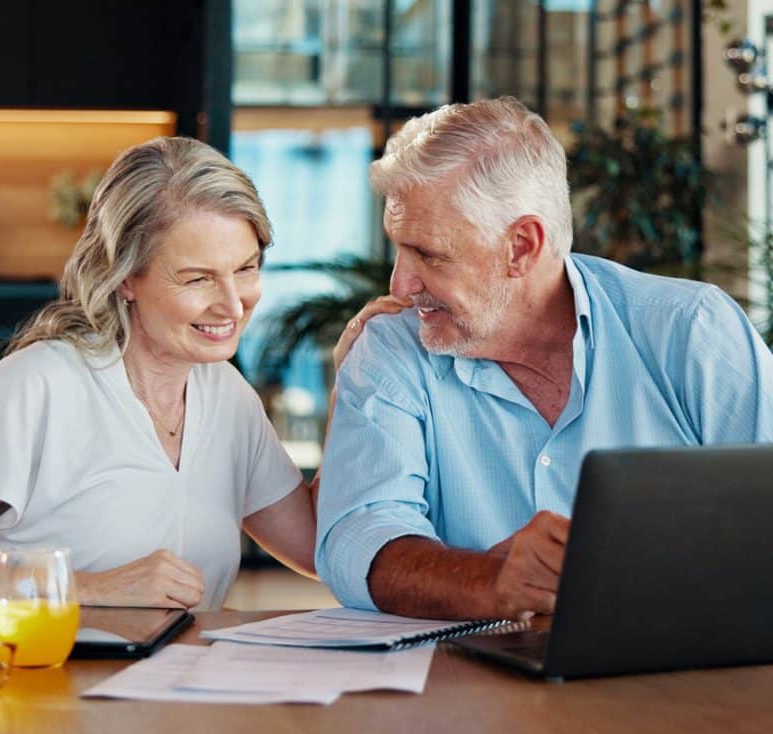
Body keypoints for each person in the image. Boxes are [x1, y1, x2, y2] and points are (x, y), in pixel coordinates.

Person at [316, 96, 773, 622]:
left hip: (689, 660)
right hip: (470, 668)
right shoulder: (391, 349)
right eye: (399, 247)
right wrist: (490, 583)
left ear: (521, 246)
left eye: (429, 254)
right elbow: (358, 537)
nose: (400, 285)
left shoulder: (691, 330)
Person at [0, 136, 403, 612]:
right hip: (50, 664)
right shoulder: (35, 386)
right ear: (124, 277)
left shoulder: (227, 396)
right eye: (198, 278)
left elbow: (317, 547)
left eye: (246, 269)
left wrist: (350, 386)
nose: (233, 304)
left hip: (191, 662)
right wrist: (94, 589)